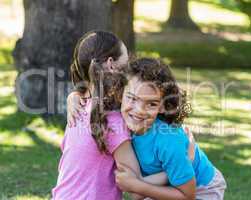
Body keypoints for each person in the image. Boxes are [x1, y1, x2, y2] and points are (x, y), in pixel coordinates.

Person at [52, 31, 168, 200]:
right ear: (111, 64)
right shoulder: (112, 122)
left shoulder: (80, 107)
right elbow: (136, 190)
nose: (130, 66)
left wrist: (74, 95)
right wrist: (180, 166)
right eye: (126, 60)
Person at [115, 58, 227, 200]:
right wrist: (76, 96)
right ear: (120, 94)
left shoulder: (168, 141)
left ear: (162, 106)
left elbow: (187, 196)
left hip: (202, 189)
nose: (139, 111)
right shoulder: (119, 121)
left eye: (151, 104)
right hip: (169, 182)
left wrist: (137, 187)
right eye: (132, 98)